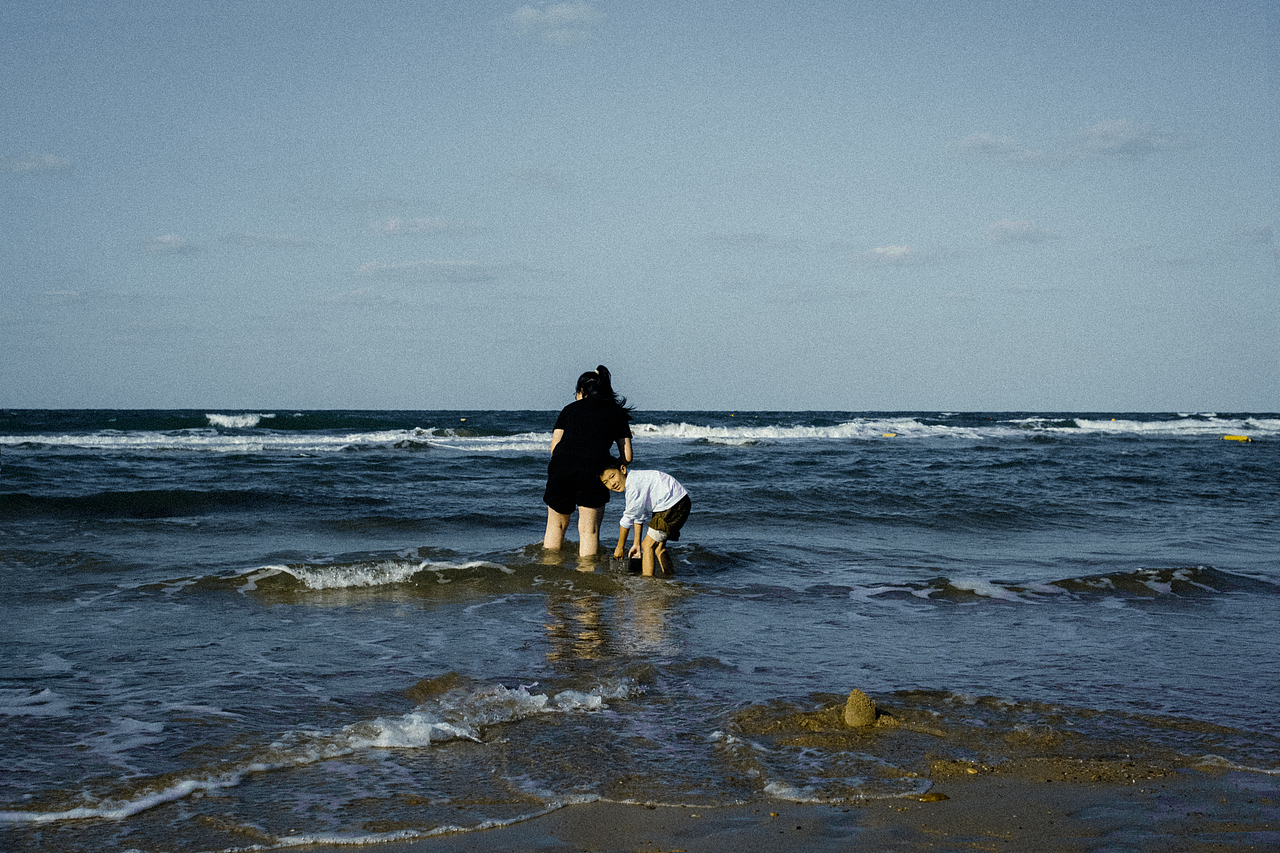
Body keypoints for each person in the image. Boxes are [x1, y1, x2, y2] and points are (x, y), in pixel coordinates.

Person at [542, 366, 633, 557]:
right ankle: (586, 577)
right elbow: (627, 456)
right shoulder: (615, 413)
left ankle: (549, 575)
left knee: (556, 525)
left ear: (581, 392)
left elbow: (554, 448)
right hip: (594, 467)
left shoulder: (568, 410)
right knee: (588, 529)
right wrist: (612, 463)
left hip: (561, 466)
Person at [599, 461, 691, 576]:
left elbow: (627, 519)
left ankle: (647, 584)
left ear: (622, 469)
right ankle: (668, 576)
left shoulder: (633, 486)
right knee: (658, 547)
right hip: (674, 502)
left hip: (672, 504)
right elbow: (639, 515)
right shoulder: (635, 480)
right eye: (605, 482)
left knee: (647, 545)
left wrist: (619, 547)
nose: (611, 484)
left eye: (612, 476)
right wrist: (636, 544)